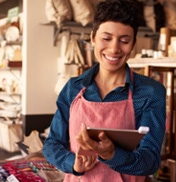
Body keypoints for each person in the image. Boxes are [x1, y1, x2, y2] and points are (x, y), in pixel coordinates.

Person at [42, 0, 166, 181]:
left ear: (133, 44)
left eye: (124, 41)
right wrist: (73, 163)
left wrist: (112, 155)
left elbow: (150, 161)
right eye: (106, 38)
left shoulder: (150, 93)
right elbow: (52, 144)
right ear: (92, 38)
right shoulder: (73, 88)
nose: (114, 48)